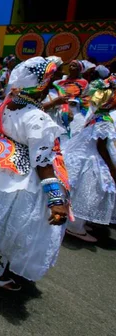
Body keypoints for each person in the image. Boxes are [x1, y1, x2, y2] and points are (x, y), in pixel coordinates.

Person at [0, 57, 69, 291]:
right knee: (8, 230)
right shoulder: (38, 118)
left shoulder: (7, 104)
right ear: (41, 85)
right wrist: (56, 201)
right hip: (23, 179)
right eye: (50, 80)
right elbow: (44, 162)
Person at [63, 77, 116, 242]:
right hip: (90, 157)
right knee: (87, 192)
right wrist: (112, 168)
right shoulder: (105, 120)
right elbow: (102, 146)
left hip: (81, 154)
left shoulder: (97, 114)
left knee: (79, 191)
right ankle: (75, 226)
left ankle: (75, 222)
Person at [45, 59, 89, 138]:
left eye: (74, 66)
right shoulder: (58, 82)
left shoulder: (83, 82)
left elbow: (86, 97)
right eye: (70, 65)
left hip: (75, 110)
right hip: (58, 109)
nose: (71, 67)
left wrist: (77, 101)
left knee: (74, 131)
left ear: (79, 69)